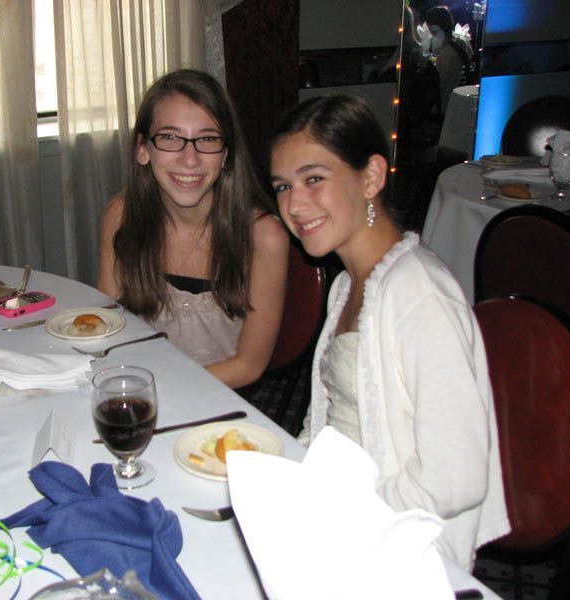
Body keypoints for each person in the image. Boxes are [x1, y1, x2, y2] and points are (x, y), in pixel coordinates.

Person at [268, 94, 509, 570]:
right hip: (340, 512)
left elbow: (456, 478)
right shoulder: (347, 285)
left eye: (314, 178)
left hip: (400, 547)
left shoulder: (418, 293)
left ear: (371, 177)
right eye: (281, 186)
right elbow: (332, 420)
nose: (293, 204)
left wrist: (349, 518)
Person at [97, 69, 289, 390]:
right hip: (140, 384)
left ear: (226, 155)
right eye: (171, 138)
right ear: (143, 149)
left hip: (218, 398)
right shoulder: (121, 216)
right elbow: (107, 320)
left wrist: (160, 390)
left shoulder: (263, 237)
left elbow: (249, 366)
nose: (190, 159)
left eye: (208, 139)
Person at [425, 5, 476, 116]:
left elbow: (437, 87)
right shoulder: (460, 45)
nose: (431, 37)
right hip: (458, 105)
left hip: (444, 109)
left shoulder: (446, 55)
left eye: (433, 32)